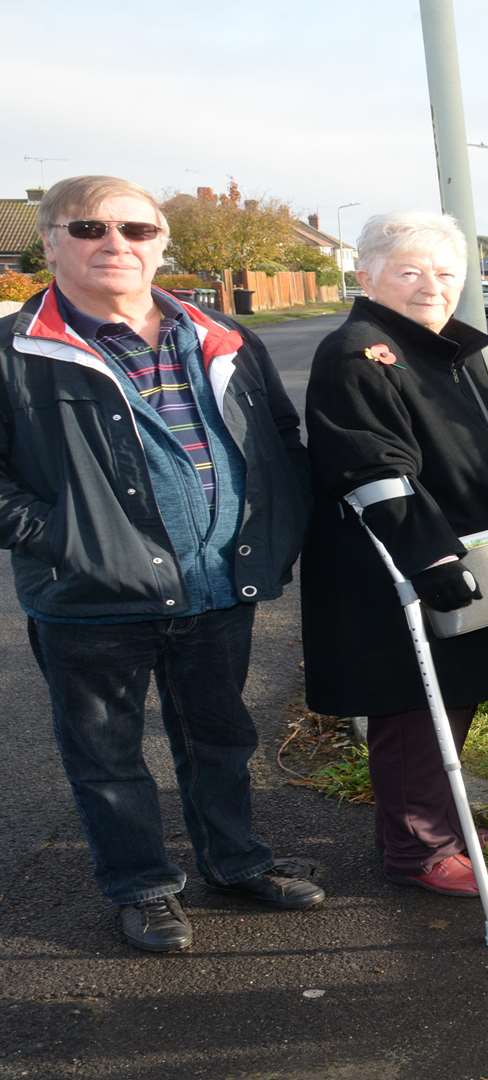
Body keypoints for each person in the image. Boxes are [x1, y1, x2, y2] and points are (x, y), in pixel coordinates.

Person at [0, 175, 322, 953]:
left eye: (138, 230)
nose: (117, 244)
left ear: (161, 244)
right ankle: (142, 886)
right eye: (89, 229)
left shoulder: (217, 336)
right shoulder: (18, 351)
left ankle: (236, 862)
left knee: (219, 738)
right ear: (48, 242)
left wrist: (273, 533)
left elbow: (278, 443)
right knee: (108, 755)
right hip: (89, 597)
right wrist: (67, 537)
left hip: (217, 585)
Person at [303, 211, 488, 894]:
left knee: (454, 699)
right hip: (413, 568)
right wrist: (432, 561)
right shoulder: (361, 351)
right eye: (410, 270)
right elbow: (373, 466)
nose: (432, 285)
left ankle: (439, 822)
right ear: (366, 276)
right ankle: (417, 850)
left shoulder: (441, 348)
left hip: (474, 557)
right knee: (413, 707)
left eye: (446, 272)